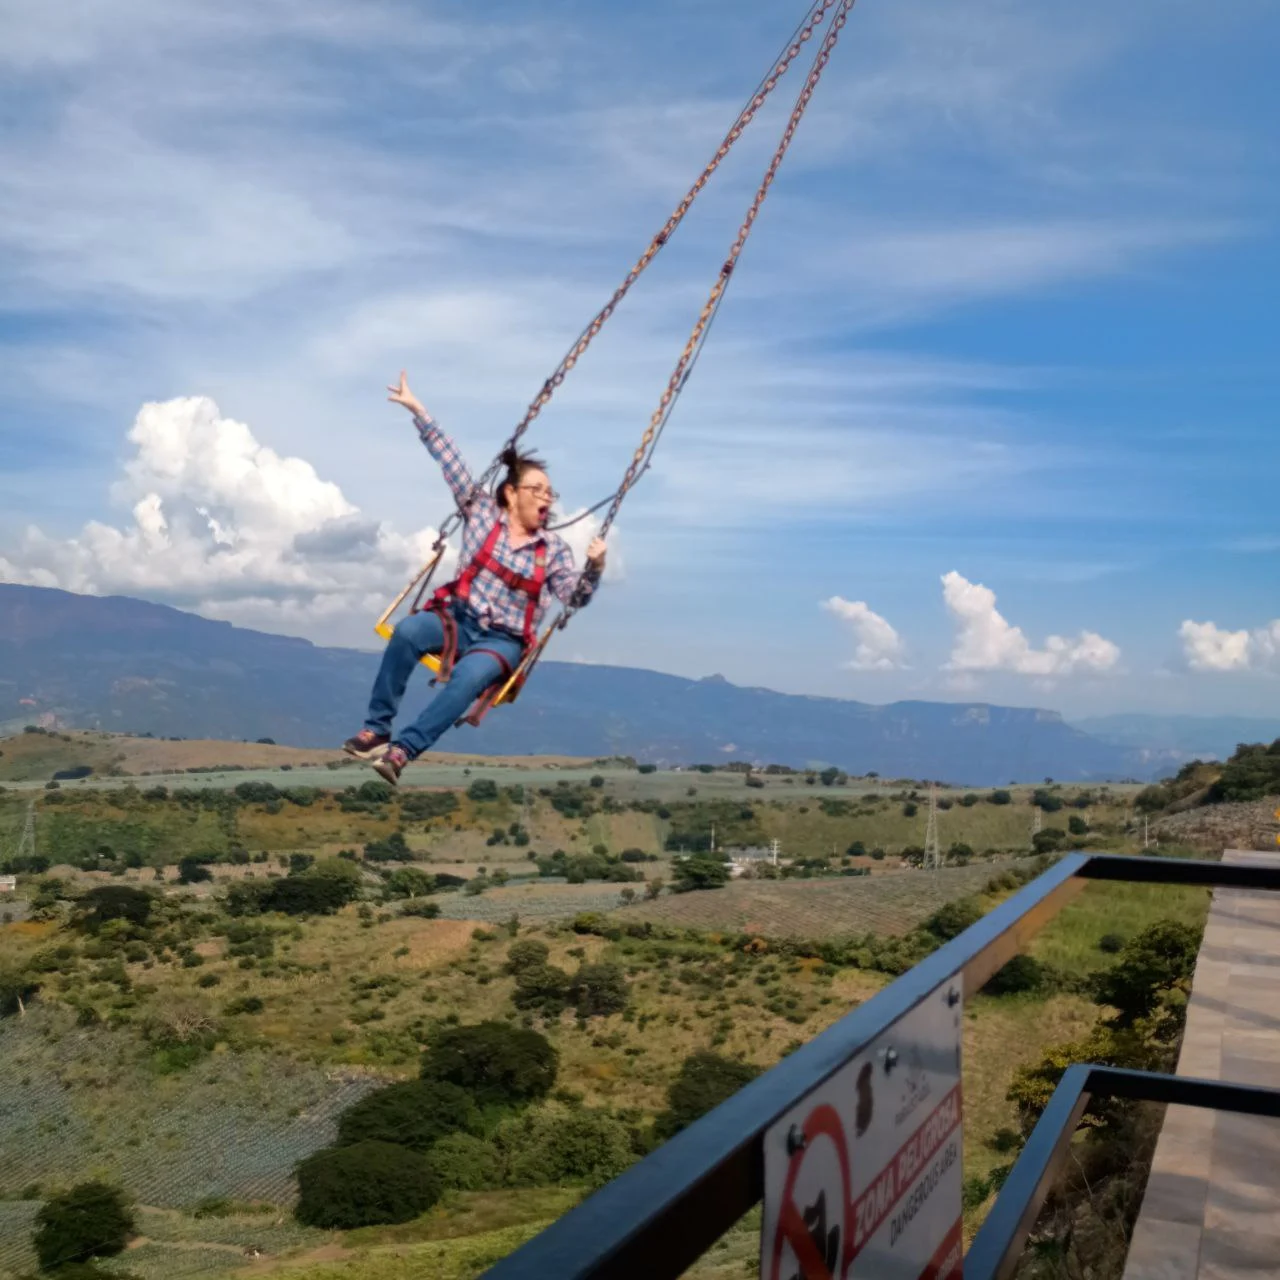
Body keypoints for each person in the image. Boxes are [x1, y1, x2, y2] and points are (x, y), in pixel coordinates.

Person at [343, 372, 607, 784]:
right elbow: (450, 462)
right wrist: (419, 411)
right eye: (537, 489)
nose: (546, 498)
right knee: (409, 631)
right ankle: (377, 728)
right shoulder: (482, 513)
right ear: (510, 493)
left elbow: (573, 597)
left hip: (503, 640)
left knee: (469, 678)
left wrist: (595, 568)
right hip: (458, 619)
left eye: (549, 493)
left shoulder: (553, 551)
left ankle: (402, 751)